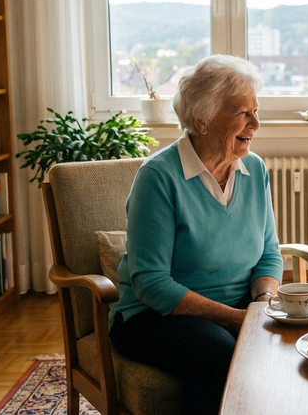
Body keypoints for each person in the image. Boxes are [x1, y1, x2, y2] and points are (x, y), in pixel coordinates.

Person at [108, 55, 283, 413]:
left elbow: (268, 254)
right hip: (154, 317)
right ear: (201, 120)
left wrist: (263, 302)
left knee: (295, 345)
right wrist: (236, 320)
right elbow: (151, 283)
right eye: (242, 113)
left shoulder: (254, 168)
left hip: (238, 308)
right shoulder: (158, 177)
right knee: (219, 352)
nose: (256, 123)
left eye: (255, 110)